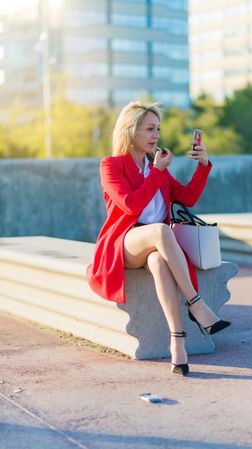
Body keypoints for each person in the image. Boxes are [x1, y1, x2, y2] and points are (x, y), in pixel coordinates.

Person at [87, 101, 230, 376]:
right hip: (124, 242)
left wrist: (203, 165)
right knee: (161, 231)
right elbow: (131, 206)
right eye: (150, 129)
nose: (156, 135)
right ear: (131, 131)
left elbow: (188, 198)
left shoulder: (156, 169)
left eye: (158, 129)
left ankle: (178, 344)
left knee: (158, 263)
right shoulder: (111, 165)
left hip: (155, 246)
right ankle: (197, 304)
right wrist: (156, 172)